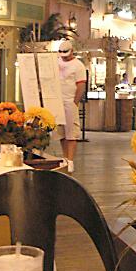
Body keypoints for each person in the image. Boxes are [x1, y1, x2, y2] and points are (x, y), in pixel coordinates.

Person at [57, 39, 86, 173]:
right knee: (61, 132)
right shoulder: (57, 62)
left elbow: (81, 85)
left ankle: (70, 159)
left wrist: (75, 102)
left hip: (70, 101)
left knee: (71, 132)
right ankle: (65, 157)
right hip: (59, 101)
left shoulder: (78, 65)